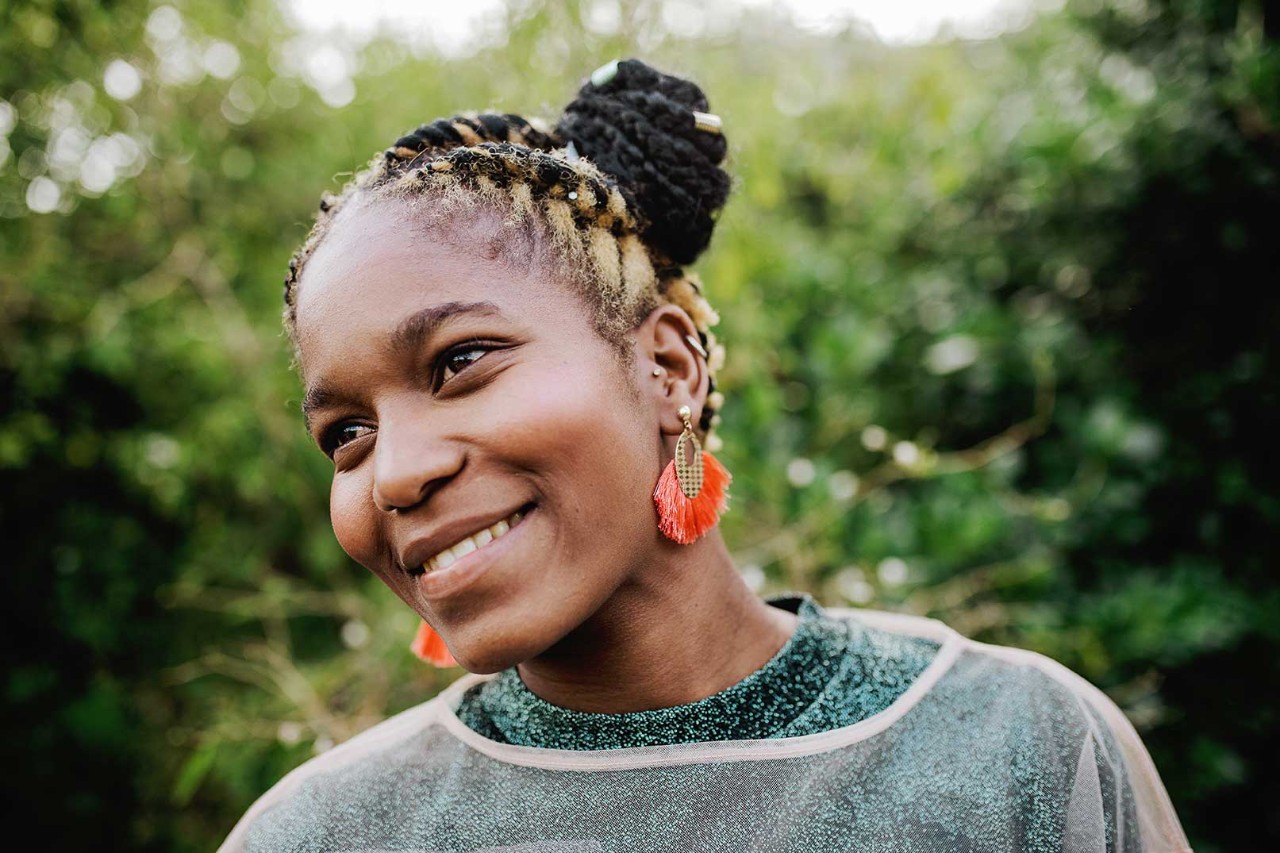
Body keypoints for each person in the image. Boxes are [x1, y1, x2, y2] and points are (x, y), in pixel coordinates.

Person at [218, 59, 1190, 853]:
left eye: (460, 361)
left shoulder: (1014, 747)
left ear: (667, 365)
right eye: (346, 433)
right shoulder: (322, 834)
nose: (393, 472)